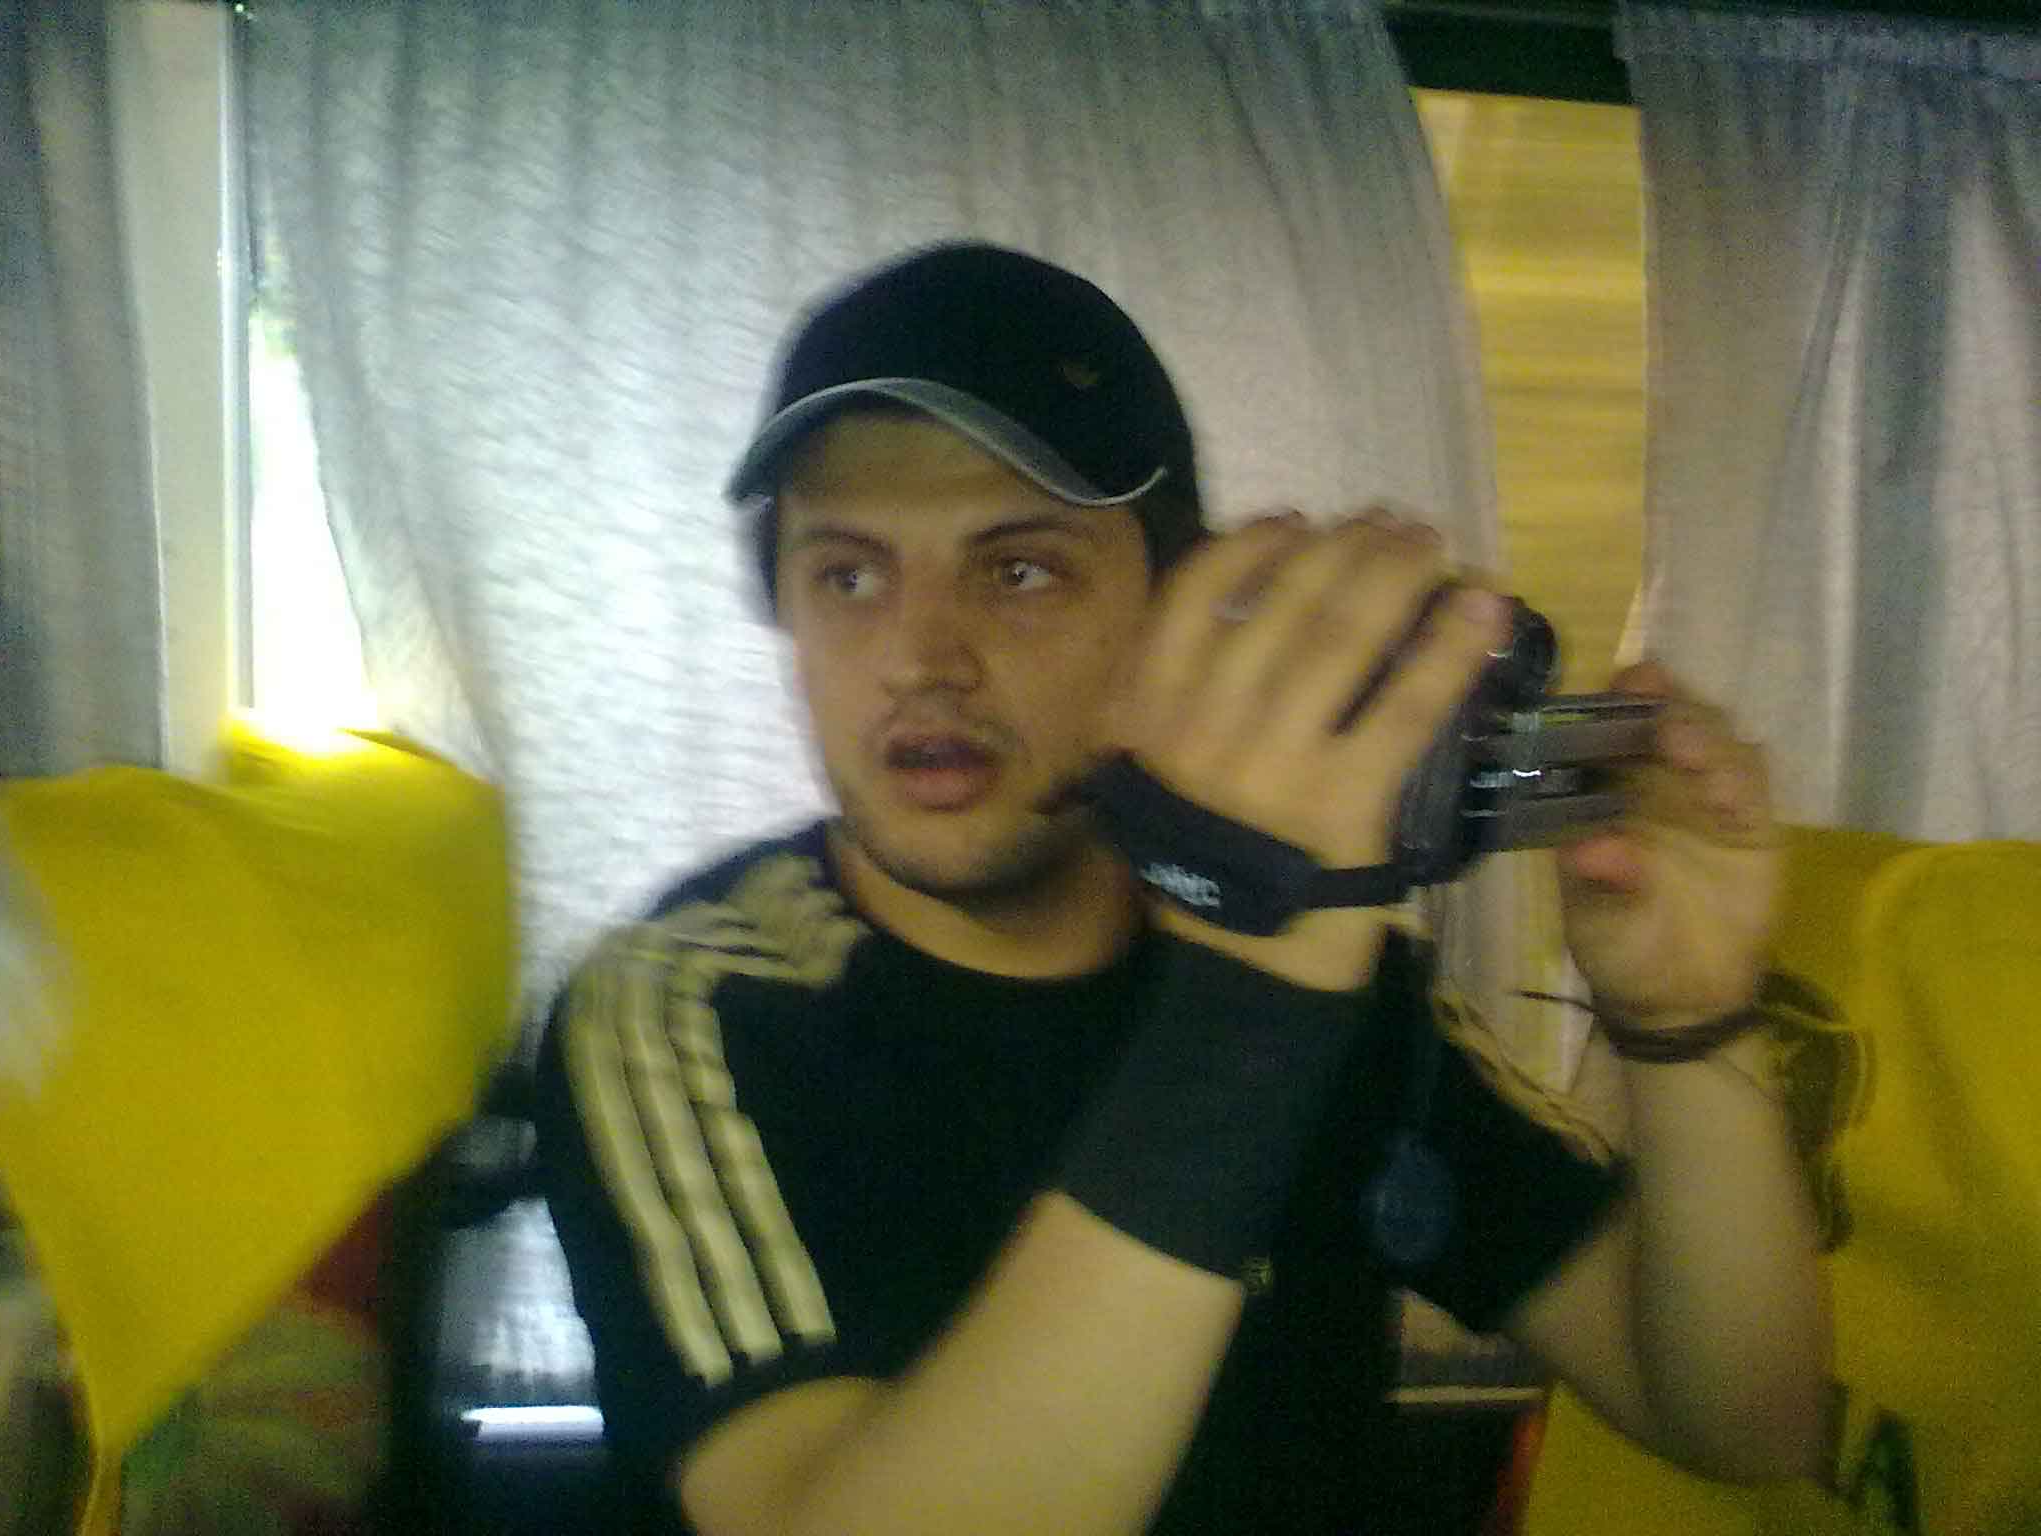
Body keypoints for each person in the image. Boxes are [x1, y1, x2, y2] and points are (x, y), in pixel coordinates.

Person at [533, 242, 1828, 1536]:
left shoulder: (1342, 994)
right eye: (849, 576)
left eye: (1019, 569)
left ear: (1174, 611)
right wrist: (1265, 982)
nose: (921, 659)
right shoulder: (693, 1007)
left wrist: (1684, 1022)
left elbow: (1742, 1424)